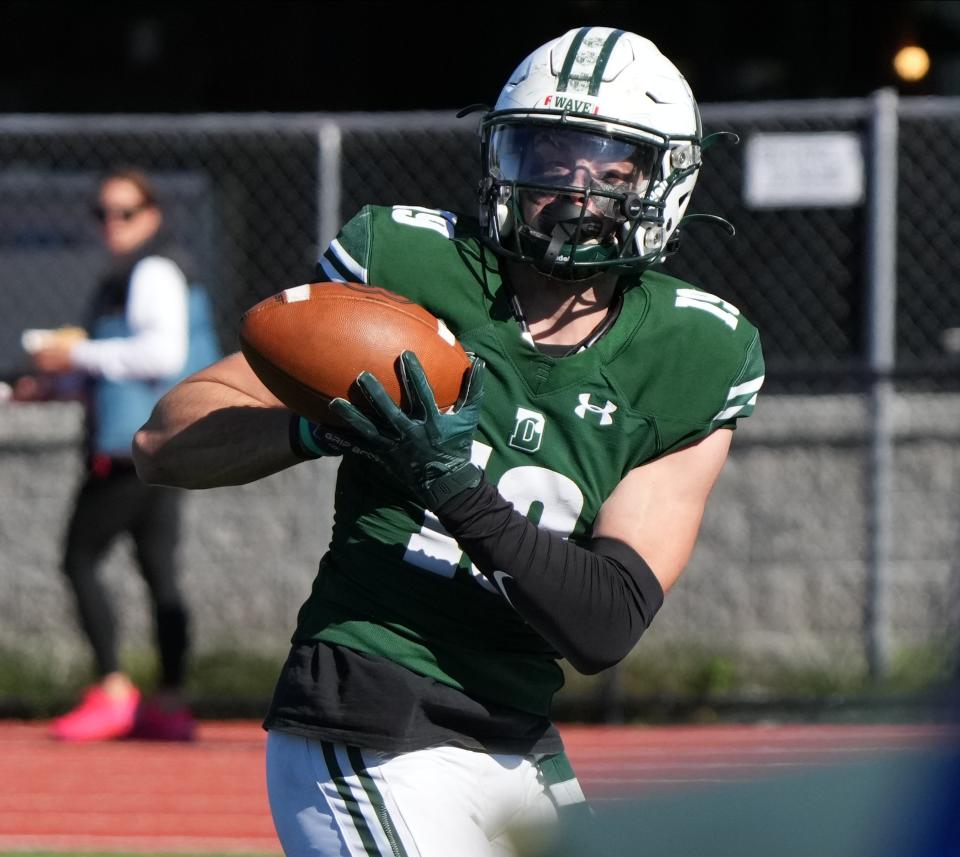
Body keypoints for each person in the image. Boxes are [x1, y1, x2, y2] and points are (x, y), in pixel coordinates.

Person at [134, 27, 764, 856]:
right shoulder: (411, 264)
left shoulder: (693, 354)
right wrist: (316, 425)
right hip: (368, 703)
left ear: (665, 183)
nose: (573, 191)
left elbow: (604, 622)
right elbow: (164, 438)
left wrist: (451, 481)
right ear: (503, 157)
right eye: (547, 153)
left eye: (610, 168)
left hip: (515, 729)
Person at [33, 168, 205, 742]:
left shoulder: (154, 270)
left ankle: (113, 689)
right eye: (103, 213)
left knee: (78, 559)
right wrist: (48, 382)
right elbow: (114, 365)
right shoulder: (124, 275)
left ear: (151, 215)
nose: (112, 223)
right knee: (161, 575)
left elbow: (159, 354)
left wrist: (77, 355)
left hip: (135, 448)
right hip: (161, 446)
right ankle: (172, 702)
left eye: (125, 212)